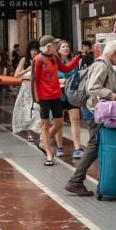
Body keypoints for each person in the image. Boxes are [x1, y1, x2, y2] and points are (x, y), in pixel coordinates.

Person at [64, 40, 116, 196]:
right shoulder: (102, 65)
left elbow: (112, 88)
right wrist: (114, 96)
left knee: (96, 144)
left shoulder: (107, 66)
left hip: (98, 110)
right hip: (94, 111)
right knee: (94, 145)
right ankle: (75, 181)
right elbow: (93, 88)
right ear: (113, 53)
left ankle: (92, 179)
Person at [33, 36, 79, 165]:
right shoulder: (38, 60)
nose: (57, 46)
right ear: (48, 46)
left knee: (59, 123)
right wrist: (36, 99)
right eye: (54, 44)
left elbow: (66, 69)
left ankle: (43, 141)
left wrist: (77, 58)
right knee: (45, 125)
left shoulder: (55, 58)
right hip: (43, 97)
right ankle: (48, 153)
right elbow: (34, 80)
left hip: (56, 95)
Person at [57, 40, 85, 158]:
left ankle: (77, 147)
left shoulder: (74, 61)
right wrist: (59, 81)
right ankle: (59, 147)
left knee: (75, 119)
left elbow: (77, 75)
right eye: (63, 47)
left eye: (67, 46)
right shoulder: (54, 61)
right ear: (58, 49)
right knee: (58, 122)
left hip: (72, 93)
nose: (66, 48)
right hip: (58, 93)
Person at [11, 43, 40, 142]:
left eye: (36, 50)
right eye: (32, 50)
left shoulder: (41, 60)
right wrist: (27, 70)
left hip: (37, 88)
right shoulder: (24, 60)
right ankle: (30, 134)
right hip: (26, 89)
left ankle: (40, 133)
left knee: (38, 111)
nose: (34, 52)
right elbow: (16, 75)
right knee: (27, 110)